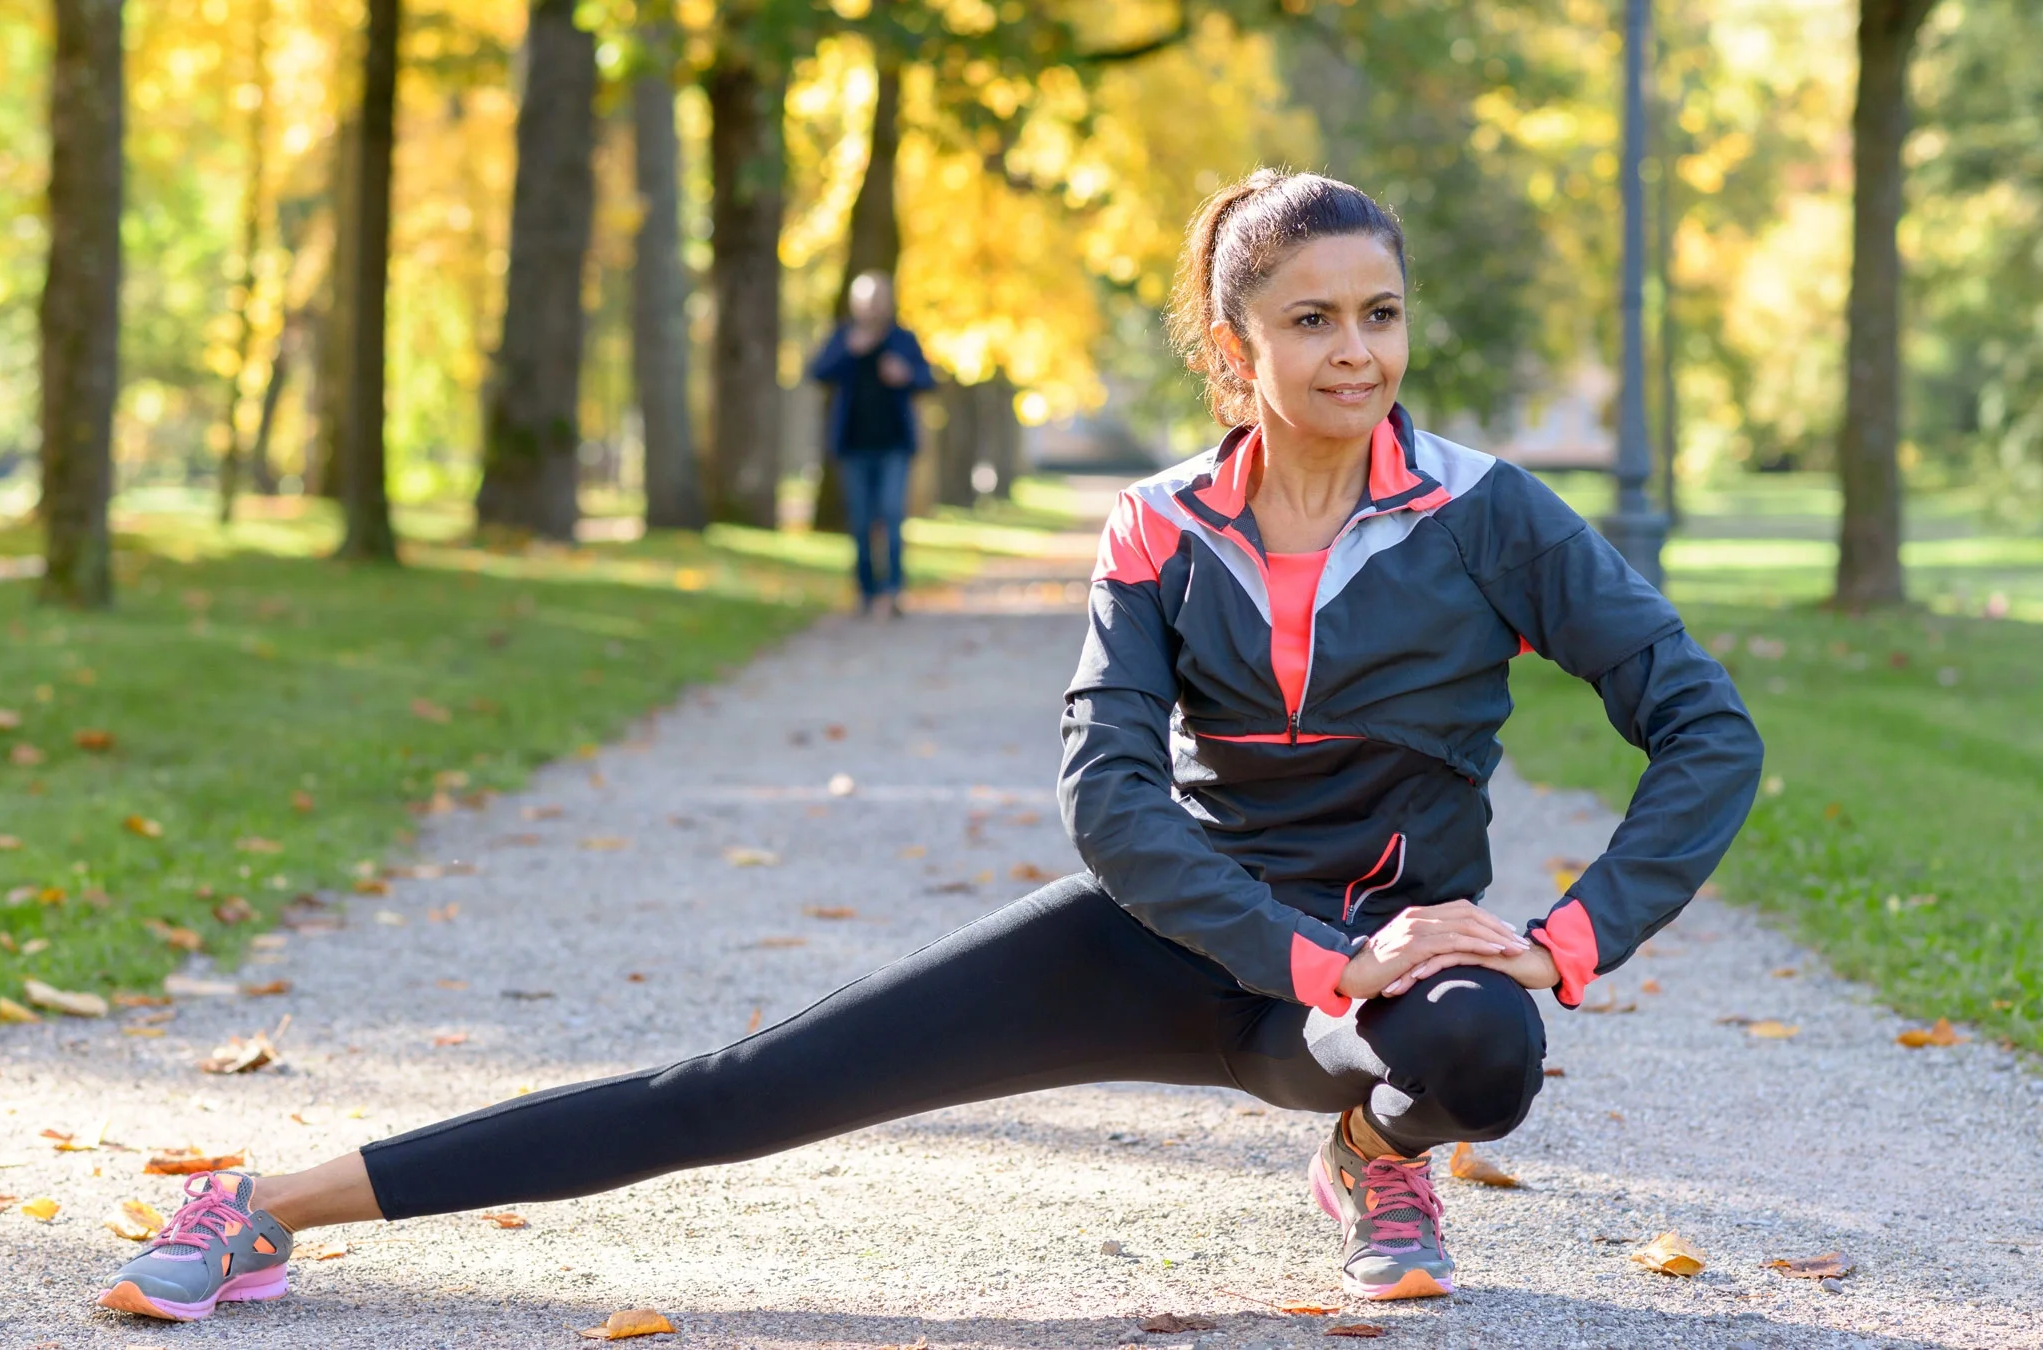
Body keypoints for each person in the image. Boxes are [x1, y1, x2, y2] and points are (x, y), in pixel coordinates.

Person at [93, 170, 1762, 1323]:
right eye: (1313, 320)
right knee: (741, 1094)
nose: (1356, 355)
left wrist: (1562, 936)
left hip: (1391, 976)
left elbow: (1703, 725)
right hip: (1168, 939)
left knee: (1485, 1057)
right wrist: (1311, 959)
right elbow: (1109, 798)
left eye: (1380, 316)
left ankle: (1375, 1161)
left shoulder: (1488, 516)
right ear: (1235, 342)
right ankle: (268, 1211)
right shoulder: (1161, 528)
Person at [809, 271, 936, 616]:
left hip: (894, 444)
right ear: (855, 303)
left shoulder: (903, 339)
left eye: (879, 298)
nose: (873, 306)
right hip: (853, 445)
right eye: (867, 299)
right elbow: (817, 372)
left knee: (893, 514)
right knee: (862, 521)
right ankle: (866, 591)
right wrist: (849, 353)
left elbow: (928, 379)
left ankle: (893, 590)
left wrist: (906, 375)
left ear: (889, 302)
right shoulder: (844, 337)